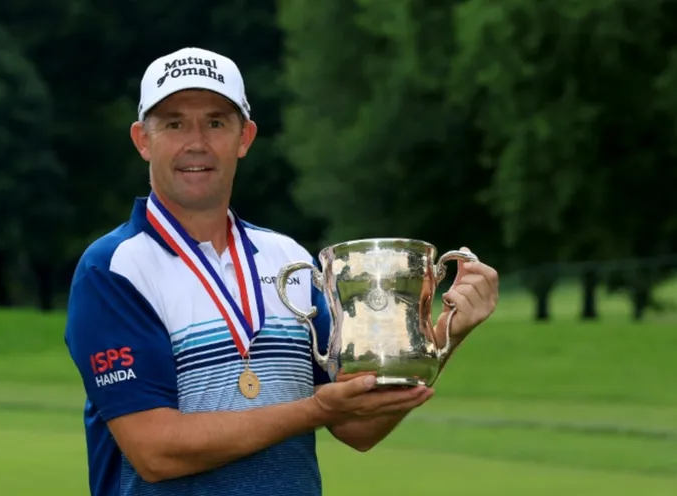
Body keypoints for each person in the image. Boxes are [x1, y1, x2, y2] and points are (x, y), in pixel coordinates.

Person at [64, 46, 499, 496]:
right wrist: (314, 411)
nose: (196, 142)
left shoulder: (288, 259)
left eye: (216, 122)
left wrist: (445, 333)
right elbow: (156, 451)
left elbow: (357, 427)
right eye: (174, 124)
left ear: (245, 137)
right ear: (142, 140)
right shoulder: (113, 269)